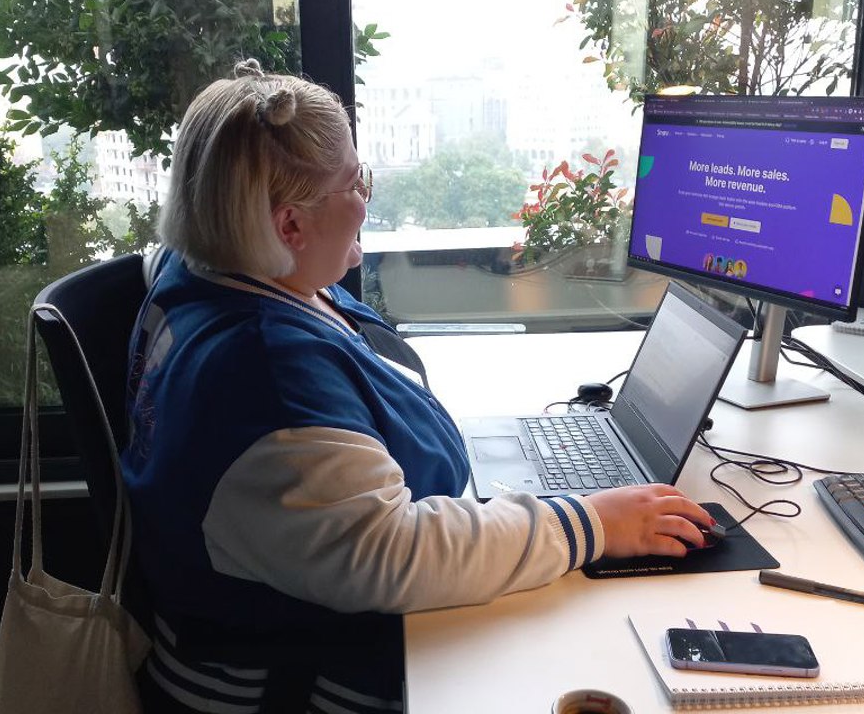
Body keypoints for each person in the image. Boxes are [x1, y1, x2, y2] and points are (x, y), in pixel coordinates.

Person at [121, 59, 715, 713]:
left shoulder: (201, 271)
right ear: (288, 226)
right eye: (356, 182)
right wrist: (591, 524)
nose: (367, 199)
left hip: (310, 617)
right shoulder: (265, 375)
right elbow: (393, 554)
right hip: (296, 679)